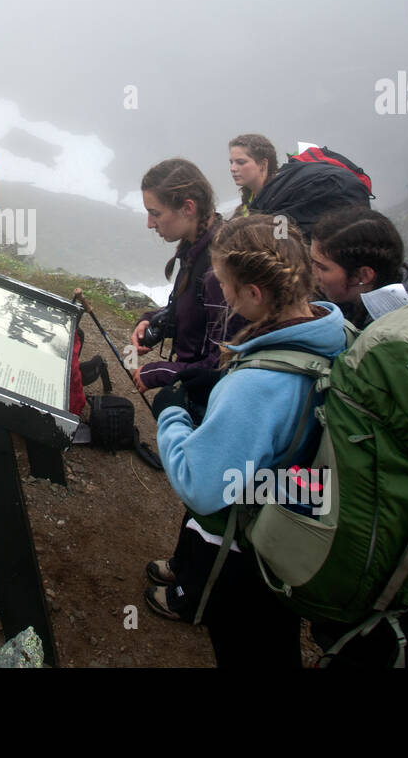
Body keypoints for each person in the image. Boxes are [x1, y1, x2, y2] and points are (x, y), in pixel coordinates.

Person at [149, 213, 348, 667]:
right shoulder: (334, 332)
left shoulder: (257, 385)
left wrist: (172, 415)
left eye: (225, 285)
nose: (224, 296)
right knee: (275, 637)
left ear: (254, 293)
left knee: (249, 646)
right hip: (306, 521)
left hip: (250, 550)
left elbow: (200, 485)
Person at [130, 159, 243, 623]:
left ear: (189, 206)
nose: (150, 222)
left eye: (156, 212)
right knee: (197, 492)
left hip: (214, 391)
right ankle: (183, 565)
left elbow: (228, 354)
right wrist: (156, 326)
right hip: (197, 382)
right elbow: (186, 310)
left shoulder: (218, 266)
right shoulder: (198, 245)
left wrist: (166, 373)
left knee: (210, 491)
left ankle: (193, 598)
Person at [309, 205, 408, 329]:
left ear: (363, 275)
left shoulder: (393, 337)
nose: (311, 272)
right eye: (311, 261)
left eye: (322, 267)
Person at [228, 133, 278, 217]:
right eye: (231, 162)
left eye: (240, 162)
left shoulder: (277, 201)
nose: (232, 168)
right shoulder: (249, 197)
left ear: (263, 165)